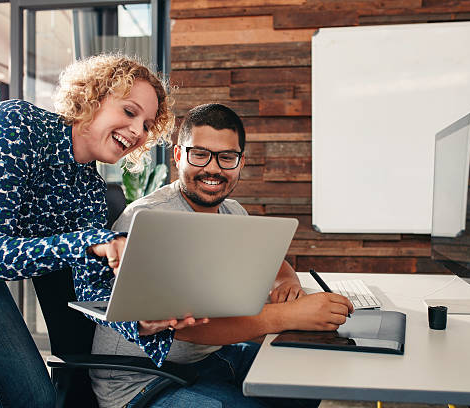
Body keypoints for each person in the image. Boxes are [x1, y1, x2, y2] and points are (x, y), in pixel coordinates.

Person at [0, 54, 201, 408]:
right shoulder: (16, 125)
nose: (138, 131)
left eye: (147, 124)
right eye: (129, 111)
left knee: (35, 398)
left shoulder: (90, 193)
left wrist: (140, 322)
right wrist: (91, 241)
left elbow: (92, 290)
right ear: (92, 98)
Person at [90, 103, 354, 408]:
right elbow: (184, 326)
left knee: (303, 383)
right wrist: (286, 316)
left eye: (227, 157)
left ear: (240, 162)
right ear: (178, 156)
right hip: (144, 381)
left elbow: (270, 259)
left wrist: (285, 282)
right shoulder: (149, 219)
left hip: (212, 359)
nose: (213, 169)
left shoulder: (232, 211)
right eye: (200, 154)